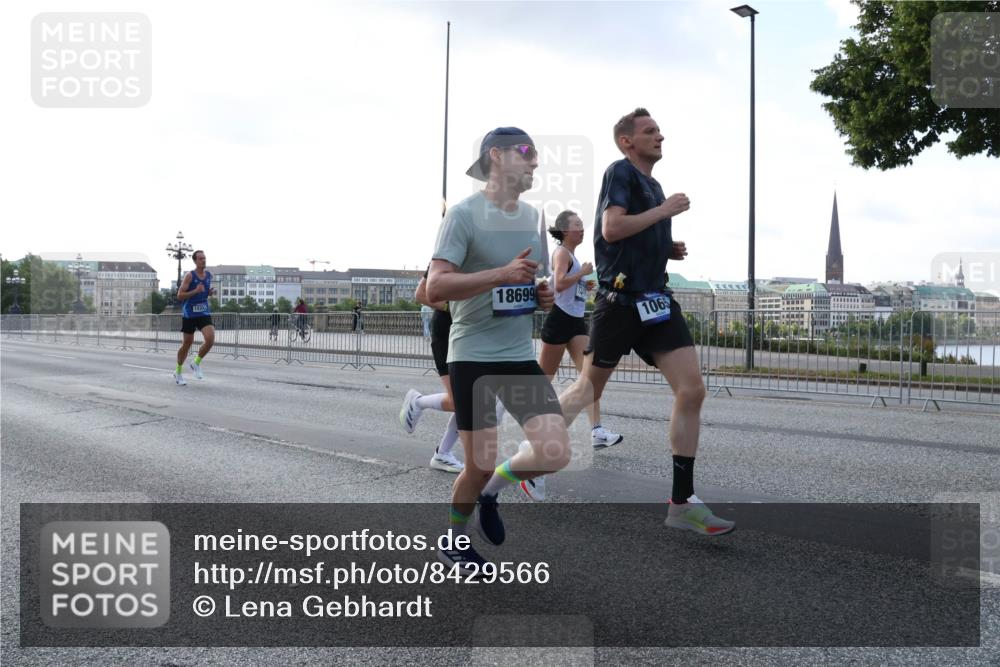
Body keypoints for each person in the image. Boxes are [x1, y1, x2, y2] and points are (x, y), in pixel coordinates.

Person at [555, 109, 734, 536]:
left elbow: (630, 233)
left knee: (692, 389)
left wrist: (663, 246)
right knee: (586, 389)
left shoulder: (653, 185)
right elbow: (611, 228)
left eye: (659, 130)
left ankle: (682, 501)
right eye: (650, 131)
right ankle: (531, 453)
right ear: (626, 141)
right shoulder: (621, 171)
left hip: (656, 300)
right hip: (620, 302)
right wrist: (665, 211)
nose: (660, 136)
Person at [427, 127, 572, 572]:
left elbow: (533, 282)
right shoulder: (463, 215)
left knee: (555, 451)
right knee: (478, 464)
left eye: (536, 154)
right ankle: (452, 540)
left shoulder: (533, 218)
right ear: (496, 156)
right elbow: (435, 287)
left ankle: (492, 493)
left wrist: (542, 297)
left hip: (517, 355)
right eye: (526, 151)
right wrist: (499, 274)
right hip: (472, 355)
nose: (534, 161)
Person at [516, 210, 624, 502]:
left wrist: (583, 284)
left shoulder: (572, 255)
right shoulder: (562, 252)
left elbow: (570, 285)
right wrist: (582, 274)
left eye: (581, 225)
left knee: (589, 377)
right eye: (577, 226)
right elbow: (559, 283)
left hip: (575, 320)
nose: (581, 229)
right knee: (543, 379)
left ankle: (597, 430)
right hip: (559, 320)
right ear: (564, 230)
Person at [397, 266, 464, 473]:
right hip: (447, 334)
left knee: (472, 402)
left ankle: (443, 454)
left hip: (471, 335)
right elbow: (421, 294)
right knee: (461, 402)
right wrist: (457, 309)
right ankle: (418, 402)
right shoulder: (448, 253)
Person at [174, 250, 215, 385]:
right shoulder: (189, 276)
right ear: (195, 261)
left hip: (203, 312)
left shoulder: (209, 275)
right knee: (187, 344)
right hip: (189, 314)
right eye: (201, 258)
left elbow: (203, 294)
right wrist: (195, 291)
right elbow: (180, 296)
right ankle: (178, 372)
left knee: (210, 339)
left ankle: (196, 363)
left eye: (204, 258)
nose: (204, 260)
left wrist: (208, 293)